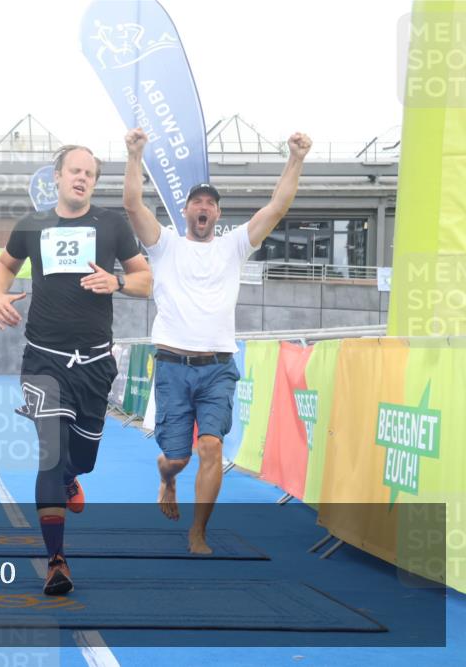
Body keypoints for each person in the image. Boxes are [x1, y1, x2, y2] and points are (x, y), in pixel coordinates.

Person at [123, 127, 312, 554]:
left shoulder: (233, 247)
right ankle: (167, 478)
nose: (203, 207)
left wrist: (296, 158)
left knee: (210, 447)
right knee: (177, 457)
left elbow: (277, 207)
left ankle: (198, 531)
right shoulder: (165, 246)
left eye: (210, 203)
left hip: (218, 369)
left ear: (217, 214)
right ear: (186, 211)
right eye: (197, 202)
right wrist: (135, 154)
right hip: (172, 366)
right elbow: (132, 204)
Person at [0, 143, 152, 595]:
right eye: (74, 171)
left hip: (96, 363)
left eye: (90, 174)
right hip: (43, 359)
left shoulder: (112, 224)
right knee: (51, 453)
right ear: (57, 177)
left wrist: (117, 280)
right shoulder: (33, 224)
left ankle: (71, 478)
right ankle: (56, 560)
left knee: (81, 459)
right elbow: (4, 266)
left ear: (94, 183)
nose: (81, 178)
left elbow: (145, 280)